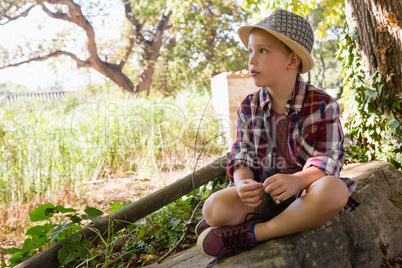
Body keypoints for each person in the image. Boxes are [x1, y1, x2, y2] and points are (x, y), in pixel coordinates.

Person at [196, 9, 359, 258]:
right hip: (265, 193)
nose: (252, 60)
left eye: (263, 51)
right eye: (250, 50)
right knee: (213, 209)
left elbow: (329, 158)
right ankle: (248, 218)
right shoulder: (249, 106)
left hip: (306, 194)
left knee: (335, 191)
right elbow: (242, 154)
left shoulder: (322, 104)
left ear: (292, 61)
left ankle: (254, 233)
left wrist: (298, 180)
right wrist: (242, 183)